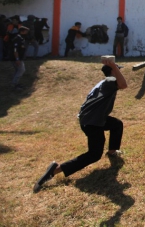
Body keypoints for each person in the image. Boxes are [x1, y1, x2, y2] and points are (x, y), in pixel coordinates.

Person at [33, 59, 128, 193]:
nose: (120, 72)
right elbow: (123, 85)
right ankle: (55, 170)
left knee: (116, 124)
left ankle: (112, 152)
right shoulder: (110, 81)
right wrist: (113, 66)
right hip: (93, 122)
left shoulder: (103, 83)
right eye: (118, 70)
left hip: (91, 118)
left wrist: (113, 67)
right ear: (112, 72)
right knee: (94, 154)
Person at [10, 25, 29, 90]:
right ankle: (14, 84)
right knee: (21, 70)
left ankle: (15, 83)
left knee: (17, 71)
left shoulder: (20, 38)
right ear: (22, 31)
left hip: (17, 58)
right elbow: (15, 50)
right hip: (16, 58)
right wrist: (17, 59)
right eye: (26, 31)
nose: (27, 33)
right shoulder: (18, 39)